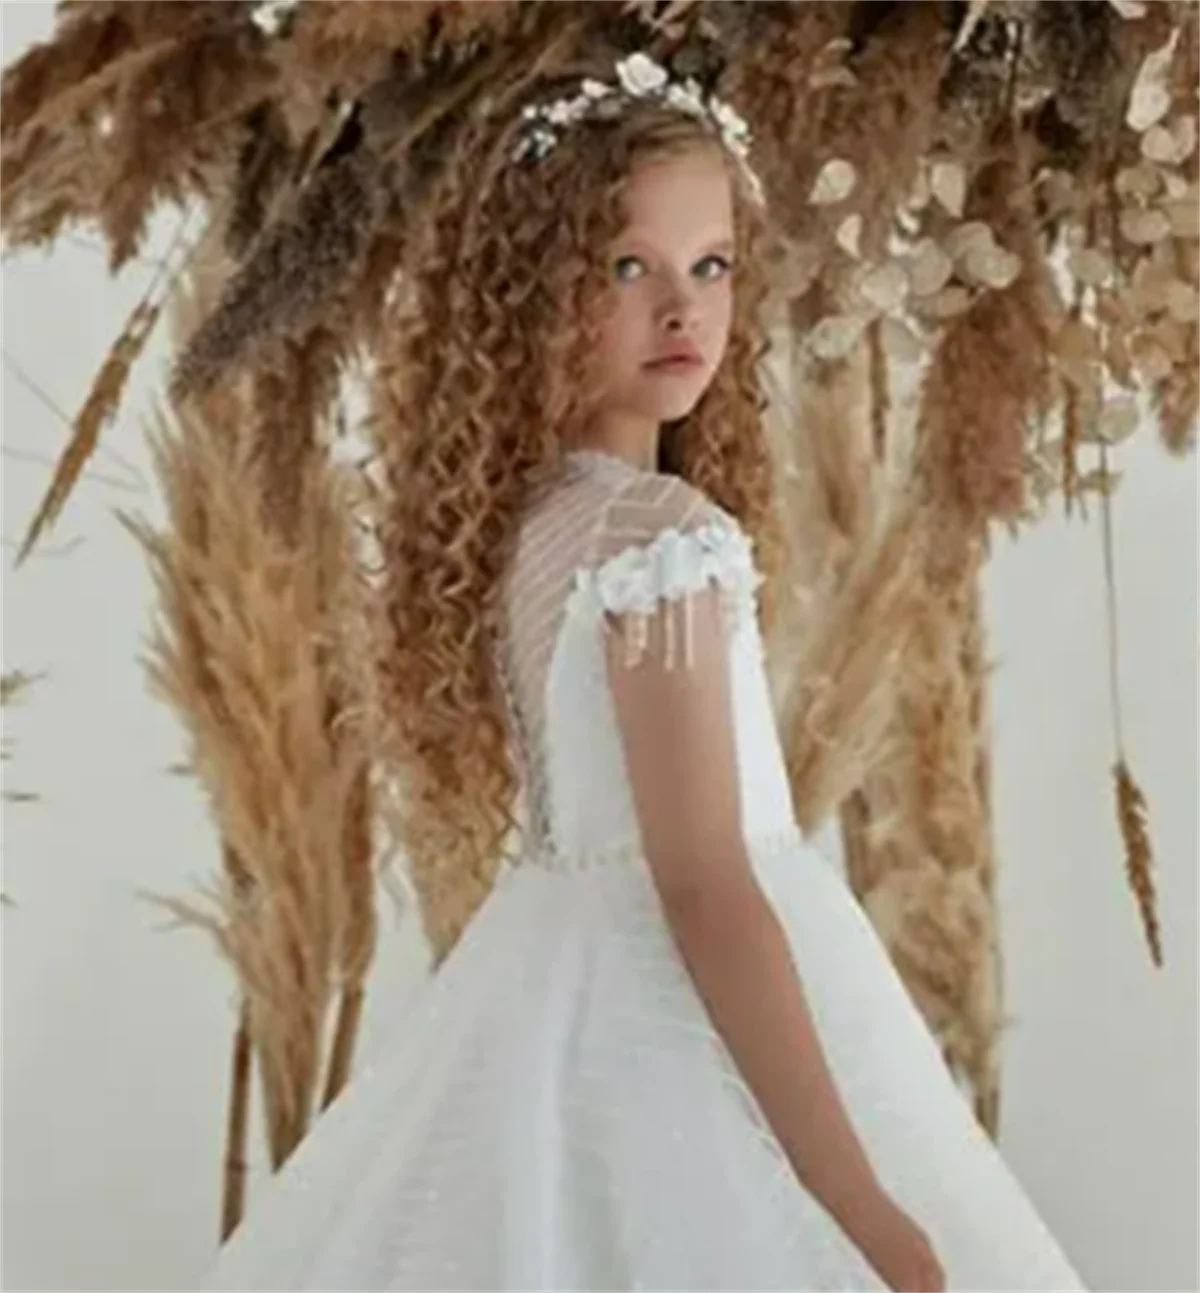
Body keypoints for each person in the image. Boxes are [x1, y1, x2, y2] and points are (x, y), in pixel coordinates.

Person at [196, 53, 1089, 1293]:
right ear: (536, 290)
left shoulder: (535, 525)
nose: (683, 310)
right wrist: (858, 1203)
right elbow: (708, 889)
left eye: (710, 265)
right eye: (629, 268)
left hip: (552, 994)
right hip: (677, 1025)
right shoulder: (661, 539)